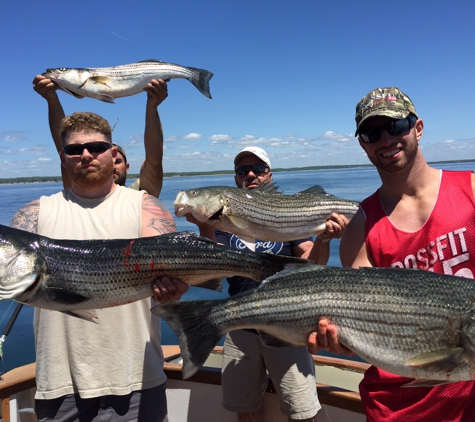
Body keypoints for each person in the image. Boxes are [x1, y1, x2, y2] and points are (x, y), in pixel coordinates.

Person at [307, 87, 475, 421]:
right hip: (396, 409)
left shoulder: (470, 189)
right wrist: (342, 339)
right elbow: (354, 318)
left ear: (418, 127)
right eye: (372, 132)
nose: (386, 139)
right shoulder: (360, 224)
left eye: (396, 126)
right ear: (362, 143)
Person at [9, 111, 188, 421]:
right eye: (74, 149)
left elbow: (172, 269)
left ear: (113, 153)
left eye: (96, 147)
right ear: (63, 157)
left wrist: (174, 288)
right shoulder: (35, 214)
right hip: (60, 384)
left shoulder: (145, 207)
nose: (86, 155)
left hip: (137, 380)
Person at [188, 146, 349, 422]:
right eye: (243, 171)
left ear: (269, 175)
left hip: (288, 325)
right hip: (240, 327)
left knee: (302, 412)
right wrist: (204, 227)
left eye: (258, 169)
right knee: (246, 410)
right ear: (236, 178)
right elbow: (209, 271)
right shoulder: (223, 221)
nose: (251, 174)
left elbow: (312, 263)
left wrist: (324, 238)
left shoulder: (287, 212)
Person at [33, 75, 167, 197]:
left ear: (127, 168)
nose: (112, 165)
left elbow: (154, 160)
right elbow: (64, 144)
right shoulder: (76, 194)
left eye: (118, 161)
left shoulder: (140, 196)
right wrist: (52, 99)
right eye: (103, 156)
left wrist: (152, 107)